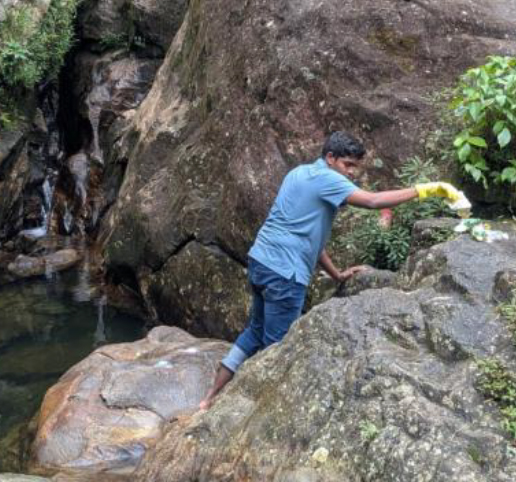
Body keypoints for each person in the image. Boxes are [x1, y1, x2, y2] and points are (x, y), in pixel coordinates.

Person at [198, 131, 466, 411]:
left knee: (254, 331)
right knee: (277, 349)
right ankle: (256, 412)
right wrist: (427, 189)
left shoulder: (298, 173)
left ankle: (209, 399)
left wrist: (336, 274)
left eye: (355, 167)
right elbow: (373, 201)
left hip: (261, 261)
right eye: (347, 165)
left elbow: (309, 238)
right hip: (285, 273)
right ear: (330, 158)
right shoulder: (327, 179)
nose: (351, 173)